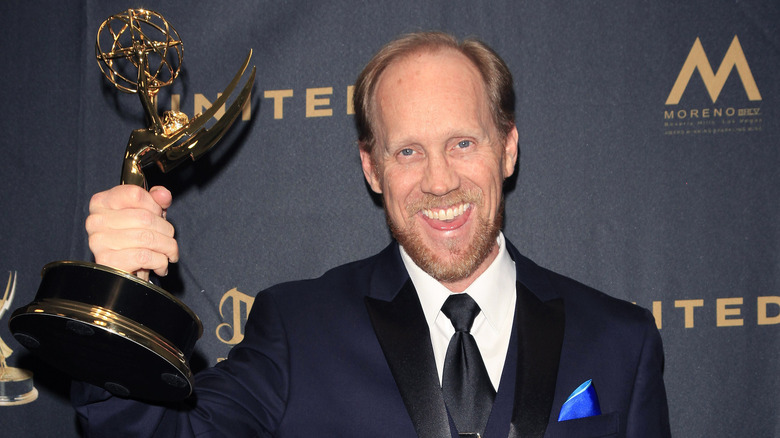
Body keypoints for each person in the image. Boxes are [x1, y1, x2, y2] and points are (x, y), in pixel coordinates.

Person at [74, 32, 670, 437]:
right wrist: (115, 301)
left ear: (508, 149)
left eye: (463, 143)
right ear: (372, 168)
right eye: (407, 150)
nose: (439, 181)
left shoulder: (620, 341)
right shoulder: (297, 329)